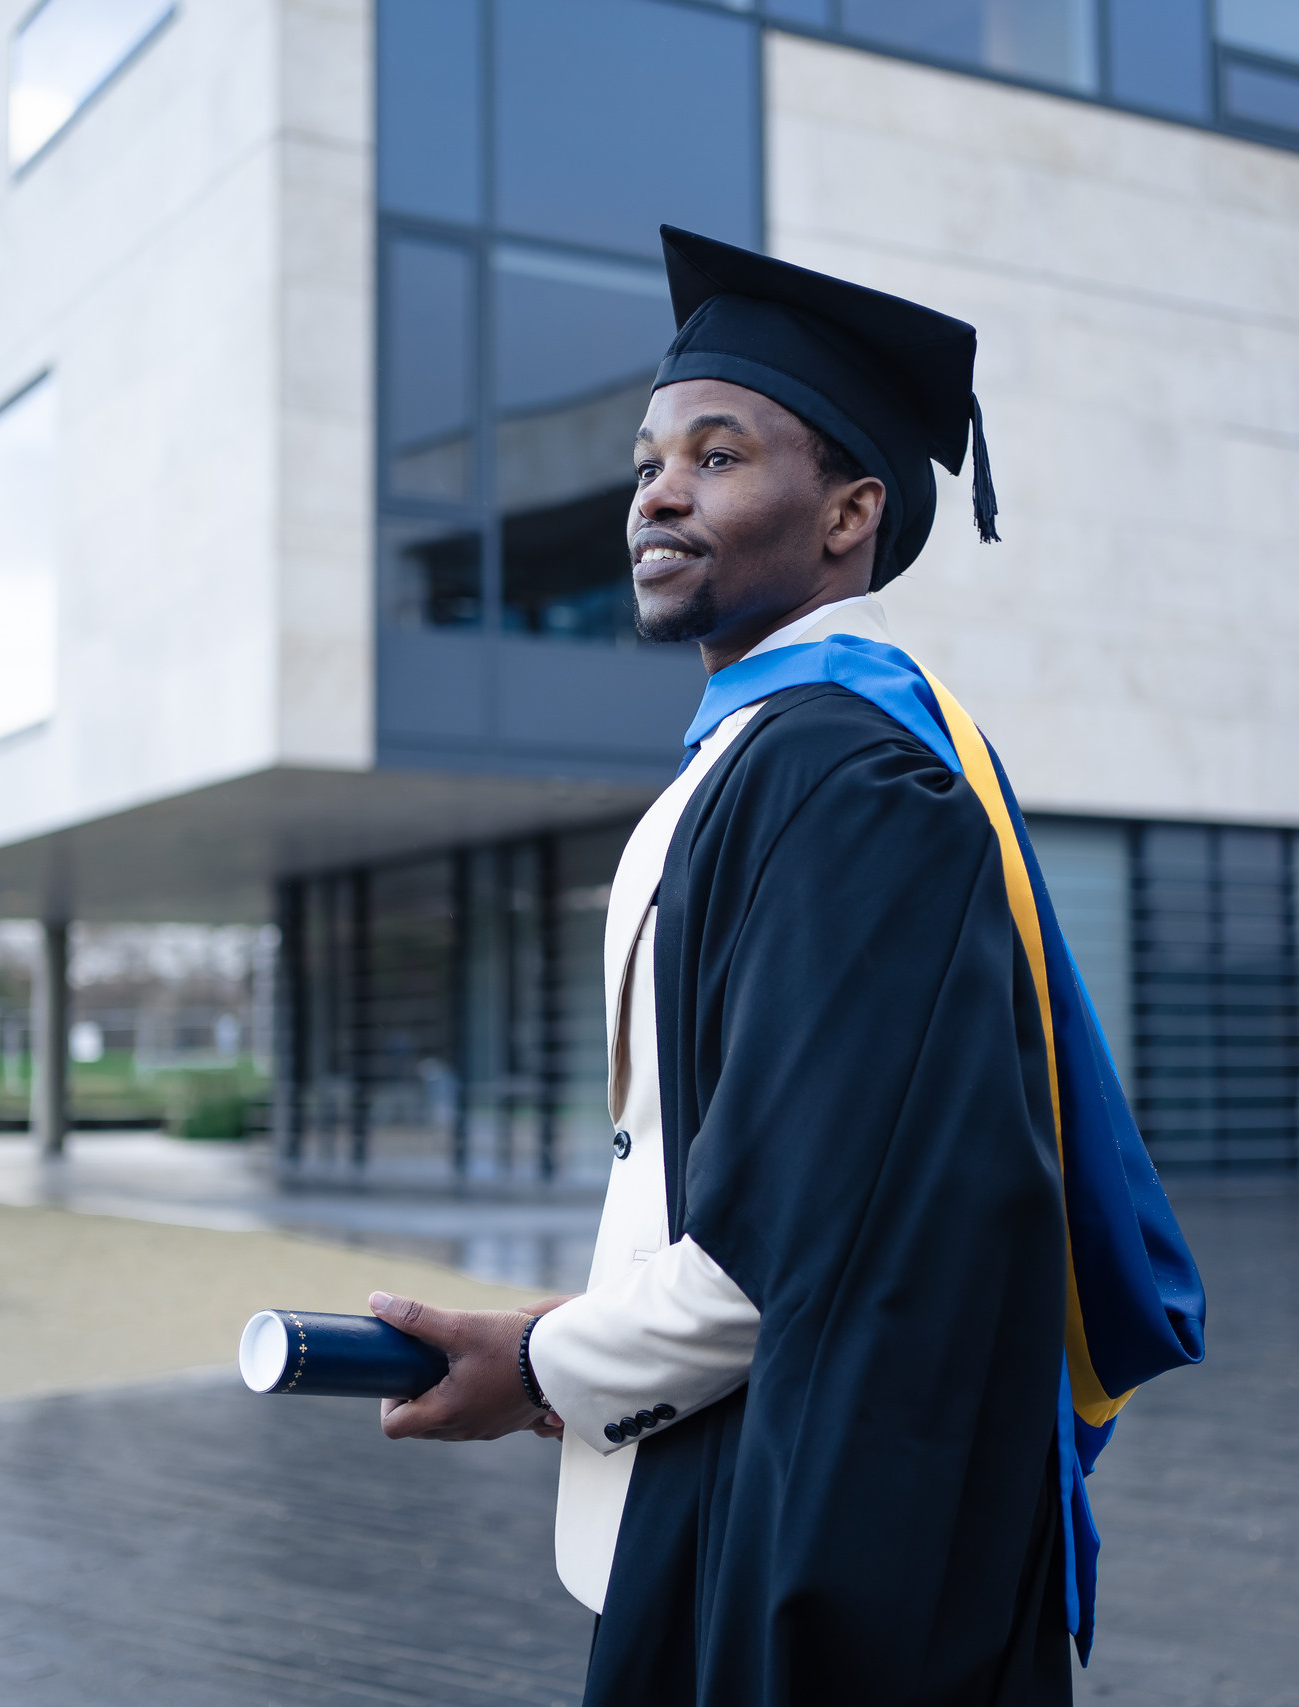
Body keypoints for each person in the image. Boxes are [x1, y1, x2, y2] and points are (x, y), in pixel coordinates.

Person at [366, 227, 1204, 1706]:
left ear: (848, 514)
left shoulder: (844, 777)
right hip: (740, 1474)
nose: (660, 492)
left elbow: (790, 1240)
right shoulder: (774, 757)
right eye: (644, 464)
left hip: (812, 1540)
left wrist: (541, 1363)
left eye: (718, 454)